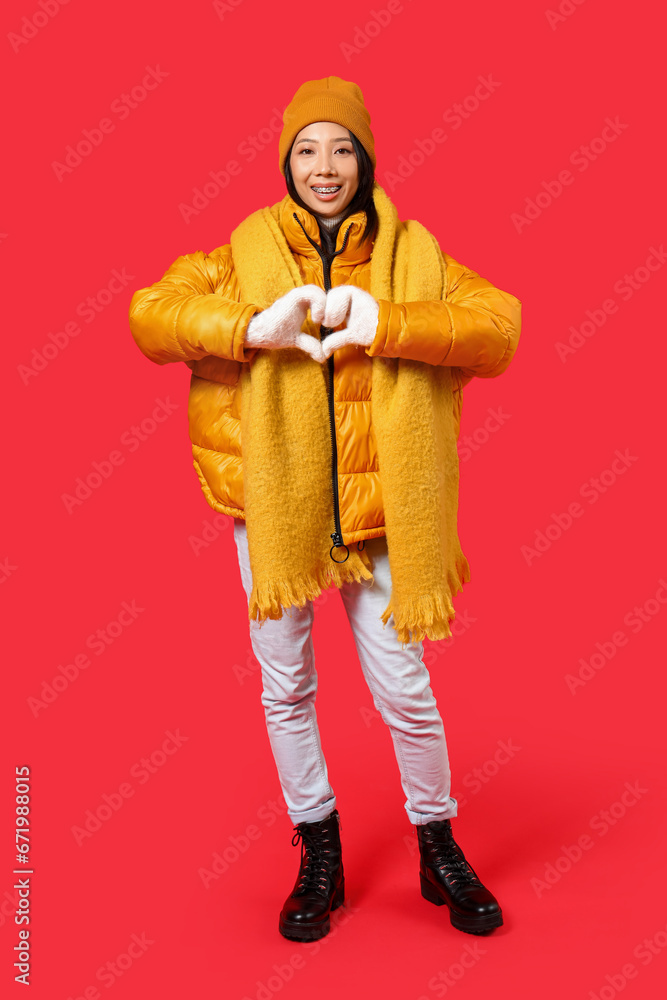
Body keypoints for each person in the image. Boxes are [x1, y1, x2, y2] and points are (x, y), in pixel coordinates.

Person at [128, 75, 521, 943]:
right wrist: (246, 327)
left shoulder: (414, 253)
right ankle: (318, 849)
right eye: (306, 148)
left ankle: (436, 842)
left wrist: (387, 320)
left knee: (406, 691)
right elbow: (149, 315)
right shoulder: (238, 253)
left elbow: (498, 327)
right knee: (287, 688)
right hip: (274, 516)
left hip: (384, 517)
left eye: (341, 147)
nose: (324, 165)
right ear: (284, 161)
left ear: (365, 158)